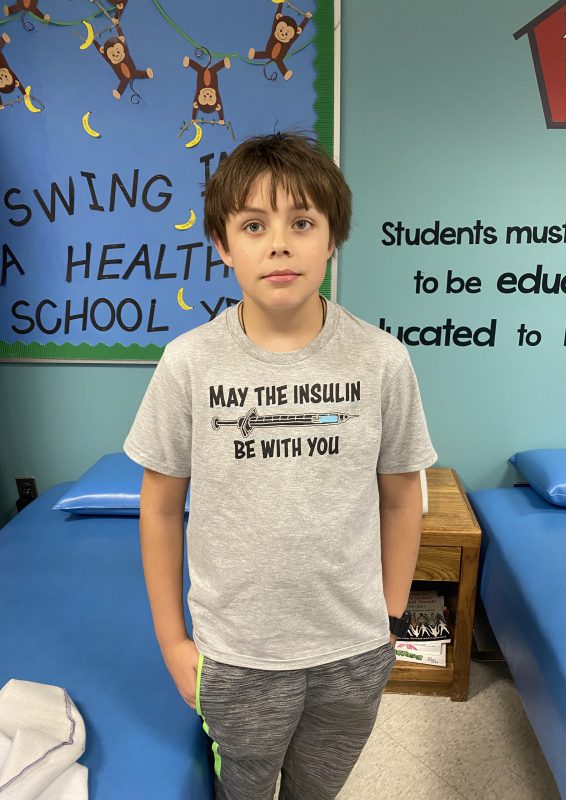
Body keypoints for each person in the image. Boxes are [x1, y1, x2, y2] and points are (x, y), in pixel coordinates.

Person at [123, 131, 438, 800]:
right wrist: (174, 644)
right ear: (222, 244)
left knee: (316, 788)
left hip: (352, 649)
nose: (279, 243)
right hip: (236, 656)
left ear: (331, 239)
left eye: (301, 222)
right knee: (243, 784)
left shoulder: (382, 361)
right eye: (253, 224)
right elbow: (157, 507)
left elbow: (402, 495)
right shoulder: (188, 363)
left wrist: (388, 617)